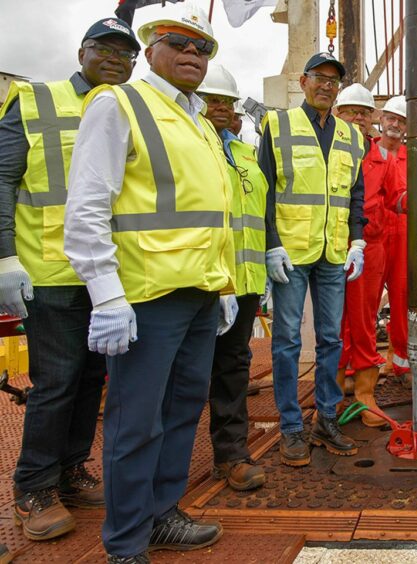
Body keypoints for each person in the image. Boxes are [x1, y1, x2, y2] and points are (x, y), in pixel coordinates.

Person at [64, 4, 235, 560]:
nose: (192, 54)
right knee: (135, 422)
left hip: (200, 293)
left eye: (202, 48)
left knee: (184, 409)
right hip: (146, 298)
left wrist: (226, 287)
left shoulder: (198, 121)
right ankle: (126, 542)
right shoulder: (118, 105)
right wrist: (107, 296)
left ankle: (162, 514)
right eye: (178, 42)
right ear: (151, 49)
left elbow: (214, 213)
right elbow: (89, 205)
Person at [0, 17, 139, 542]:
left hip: (108, 273)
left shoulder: (130, 106)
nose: (115, 59)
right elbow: (3, 176)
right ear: (81, 51)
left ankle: (71, 470)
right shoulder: (34, 101)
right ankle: (33, 486)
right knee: (56, 382)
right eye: (104, 48)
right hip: (51, 268)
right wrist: (4, 258)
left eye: (126, 54)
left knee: (90, 380)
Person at [259, 51, 366, 467]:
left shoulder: (352, 137)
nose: (326, 85)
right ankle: (290, 427)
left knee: (331, 339)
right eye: (318, 78)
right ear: (303, 82)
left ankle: (326, 418)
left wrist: (357, 240)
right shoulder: (278, 126)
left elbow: (355, 195)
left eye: (333, 80)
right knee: (286, 341)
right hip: (291, 251)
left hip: (333, 252)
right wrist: (271, 242)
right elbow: (264, 189)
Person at [197, 63, 267, 491]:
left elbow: (258, 210)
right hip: (199, 278)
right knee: (185, 372)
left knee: (233, 366)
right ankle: (168, 465)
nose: (219, 107)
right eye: (211, 99)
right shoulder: (185, 146)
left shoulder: (243, 152)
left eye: (225, 100)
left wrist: (269, 255)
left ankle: (231, 454)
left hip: (243, 280)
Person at [334, 82, 397, 425]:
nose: (357, 117)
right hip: (332, 244)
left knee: (362, 318)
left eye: (363, 112)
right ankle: (336, 383)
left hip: (370, 248)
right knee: (333, 319)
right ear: (338, 114)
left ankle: (364, 391)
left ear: (372, 117)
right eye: (351, 111)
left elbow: (397, 197)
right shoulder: (328, 150)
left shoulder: (383, 158)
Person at [377, 95, 411, 377]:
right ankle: (358, 369)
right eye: (391, 118)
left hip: (402, 237)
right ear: (381, 119)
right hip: (373, 236)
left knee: (401, 299)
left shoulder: (414, 159)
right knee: (365, 302)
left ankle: (401, 363)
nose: (395, 124)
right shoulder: (366, 153)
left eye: (401, 120)